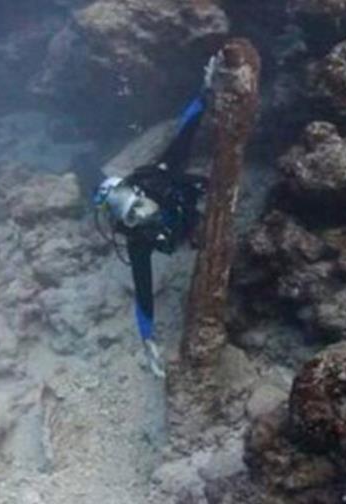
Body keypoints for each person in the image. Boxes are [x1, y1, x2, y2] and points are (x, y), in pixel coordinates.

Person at [92, 54, 219, 378]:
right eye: (131, 218)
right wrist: (147, 340)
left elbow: (185, 131)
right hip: (184, 227)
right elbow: (144, 295)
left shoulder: (159, 181)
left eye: (137, 206)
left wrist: (205, 91)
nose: (142, 217)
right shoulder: (138, 241)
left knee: (191, 181)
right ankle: (85, 167)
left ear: (141, 193)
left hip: (187, 202)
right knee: (86, 173)